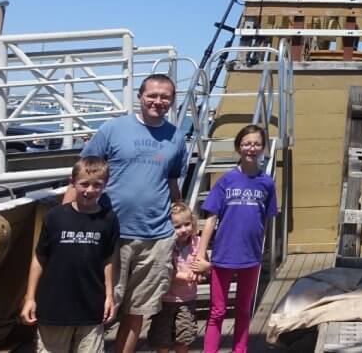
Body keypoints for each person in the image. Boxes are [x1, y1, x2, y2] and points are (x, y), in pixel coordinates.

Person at [69, 73, 187, 353]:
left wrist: (184, 223)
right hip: (112, 234)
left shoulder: (176, 137)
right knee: (100, 307)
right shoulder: (113, 129)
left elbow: (172, 184)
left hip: (156, 238)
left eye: (165, 97)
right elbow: (80, 175)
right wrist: (66, 218)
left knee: (137, 312)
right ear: (140, 96)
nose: (158, 101)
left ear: (171, 101)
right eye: (152, 95)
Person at [21, 157, 120, 353]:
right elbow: (39, 258)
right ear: (72, 182)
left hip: (91, 307)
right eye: (84, 184)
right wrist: (30, 298)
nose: (89, 190)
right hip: (54, 306)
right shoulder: (55, 217)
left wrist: (109, 296)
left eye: (97, 185)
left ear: (105, 185)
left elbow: (108, 259)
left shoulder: (109, 219)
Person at [193, 124, 278, 353]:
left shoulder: (267, 183)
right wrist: (201, 254)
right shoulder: (226, 180)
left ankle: (240, 349)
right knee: (217, 311)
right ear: (239, 146)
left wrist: (263, 251)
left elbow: (266, 220)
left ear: (263, 148)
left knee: (243, 310)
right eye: (247, 143)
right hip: (223, 256)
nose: (252, 147)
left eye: (257, 144)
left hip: (251, 257)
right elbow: (210, 219)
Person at [147, 202, 201, 353]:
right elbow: (163, 270)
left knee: (183, 338)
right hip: (164, 300)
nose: (184, 230)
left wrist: (202, 270)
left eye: (187, 224)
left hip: (187, 300)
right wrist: (184, 276)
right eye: (177, 227)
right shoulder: (165, 245)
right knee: (162, 340)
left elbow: (203, 265)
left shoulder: (197, 243)